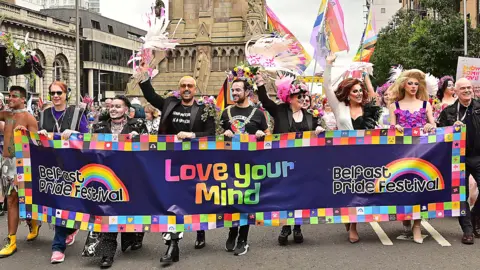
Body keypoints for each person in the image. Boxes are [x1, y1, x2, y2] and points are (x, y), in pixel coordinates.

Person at [138, 64, 215, 263]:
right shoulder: (170, 104)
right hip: (169, 163)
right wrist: (143, 79)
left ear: (195, 89)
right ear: (179, 89)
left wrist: (193, 135)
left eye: (190, 85)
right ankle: (173, 245)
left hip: (195, 165)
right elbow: (152, 97)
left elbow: (212, 134)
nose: (187, 88)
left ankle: (200, 230)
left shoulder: (204, 110)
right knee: (172, 202)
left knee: (196, 200)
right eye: (183, 86)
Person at [256, 74, 324, 245]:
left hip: (304, 163)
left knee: (301, 195)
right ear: (289, 97)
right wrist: (260, 83)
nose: (303, 99)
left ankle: (298, 226)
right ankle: (286, 226)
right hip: (283, 161)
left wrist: (319, 129)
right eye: (298, 96)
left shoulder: (310, 115)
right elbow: (265, 101)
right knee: (286, 195)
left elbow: (319, 131)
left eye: (304, 96)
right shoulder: (280, 111)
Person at [324, 53, 381, 244]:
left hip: (366, 155)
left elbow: (375, 103)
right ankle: (350, 220)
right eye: (354, 91)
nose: (358, 94)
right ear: (348, 93)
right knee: (347, 190)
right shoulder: (340, 107)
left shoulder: (369, 109)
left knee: (361, 189)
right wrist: (328, 65)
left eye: (360, 91)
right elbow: (327, 88)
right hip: (345, 155)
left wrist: (365, 76)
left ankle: (354, 225)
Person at [89, 95, 147, 268]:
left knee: (130, 211)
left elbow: (150, 149)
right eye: (112, 106)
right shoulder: (99, 127)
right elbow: (87, 148)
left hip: (131, 177)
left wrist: (140, 139)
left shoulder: (137, 125)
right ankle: (107, 254)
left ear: (127, 110)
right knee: (108, 213)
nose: (113, 109)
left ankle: (134, 237)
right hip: (106, 179)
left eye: (118, 106)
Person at [36, 81, 89, 263]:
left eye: (59, 92)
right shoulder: (43, 115)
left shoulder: (77, 113)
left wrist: (74, 133)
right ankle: (58, 247)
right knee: (59, 203)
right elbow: (36, 140)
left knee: (69, 201)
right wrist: (39, 134)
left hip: (74, 165)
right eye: (52, 93)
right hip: (52, 167)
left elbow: (88, 137)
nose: (56, 96)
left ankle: (69, 229)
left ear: (67, 94)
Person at [221, 78, 270, 255]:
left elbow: (268, 136)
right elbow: (216, 138)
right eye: (232, 90)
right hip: (230, 165)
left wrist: (261, 135)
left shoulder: (258, 113)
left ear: (247, 92)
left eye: (238, 90)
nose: (234, 93)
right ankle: (232, 231)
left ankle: (243, 237)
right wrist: (224, 134)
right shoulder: (226, 112)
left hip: (251, 165)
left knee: (247, 201)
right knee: (232, 199)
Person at [389, 69, 436, 244]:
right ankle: (405, 214)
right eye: (410, 83)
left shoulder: (426, 105)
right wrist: (396, 128)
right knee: (403, 185)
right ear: (403, 85)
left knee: (418, 186)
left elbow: (433, 124)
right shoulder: (395, 106)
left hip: (421, 152)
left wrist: (430, 127)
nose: (414, 86)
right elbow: (390, 128)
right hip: (401, 152)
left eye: (416, 84)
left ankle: (417, 225)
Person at [438, 78, 479, 245]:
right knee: (461, 195)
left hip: (478, 156)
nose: (467, 90)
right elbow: (440, 135)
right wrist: (450, 129)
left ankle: (475, 216)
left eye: (469, 87)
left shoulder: (478, 106)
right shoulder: (448, 112)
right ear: (455, 91)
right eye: (463, 88)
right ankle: (467, 231)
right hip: (458, 158)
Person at [0, 86, 39, 258]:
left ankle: (34, 223)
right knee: (11, 200)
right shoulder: (7, 115)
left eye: (14, 96)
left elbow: (36, 147)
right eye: (9, 96)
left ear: (23, 99)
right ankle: (12, 240)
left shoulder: (29, 118)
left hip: (22, 164)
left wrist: (22, 169)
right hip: (6, 163)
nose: (10, 99)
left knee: (23, 199)